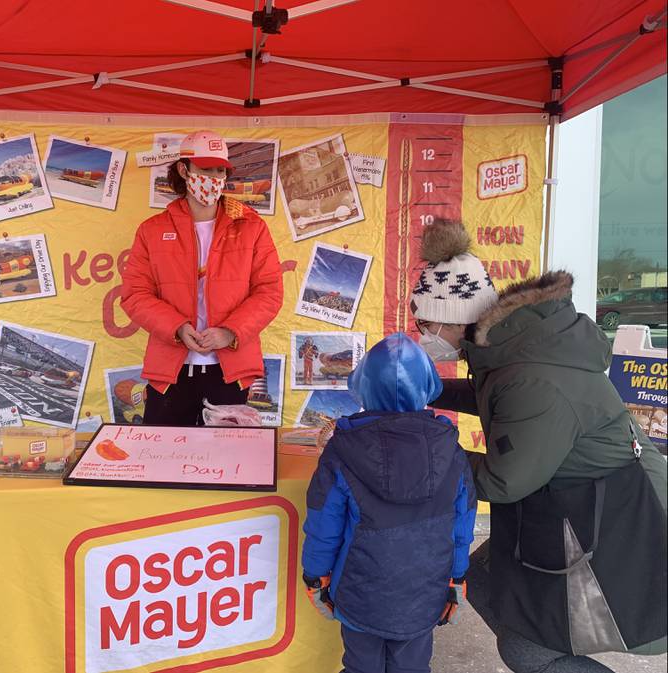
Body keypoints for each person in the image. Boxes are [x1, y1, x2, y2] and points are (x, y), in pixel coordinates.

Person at [411, 219, 667, 672]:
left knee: (526, 648)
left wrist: (416, 452)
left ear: (454, 319)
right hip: (573, 498)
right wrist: (430, 392)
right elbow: (501, 400)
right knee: (486, 579)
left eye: (425, 323)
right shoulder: (511, 350)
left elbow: (503, 481)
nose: (421, 335)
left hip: (612, 513)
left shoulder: (533, 376)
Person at [301, 332, 477, 673]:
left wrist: (315, 576)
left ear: (363, 385)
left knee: (361, 665)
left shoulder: (342, 449)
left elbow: (324, 523)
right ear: (427, 386)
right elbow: (461, 524)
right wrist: (457, 577)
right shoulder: (451, 451)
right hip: (425, 592)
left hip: (359, 591)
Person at [120, 130, 283, 426]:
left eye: (220, 170)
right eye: (206, 169)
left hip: (231, 369)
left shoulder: (251, 227)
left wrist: (230, 332)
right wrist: (177, 328)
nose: (214, 177)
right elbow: (134, 294)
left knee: (229, 462)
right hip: (169, 371)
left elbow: (269, 291)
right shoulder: (152, 230)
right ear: (184, 170)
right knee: (162, 459)